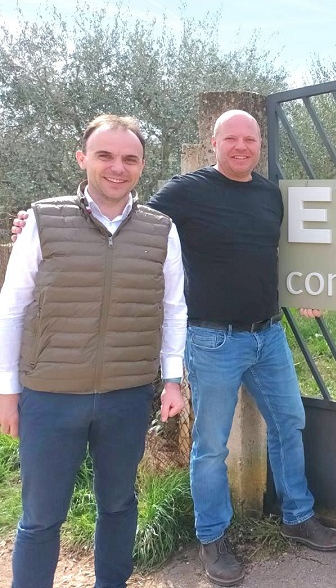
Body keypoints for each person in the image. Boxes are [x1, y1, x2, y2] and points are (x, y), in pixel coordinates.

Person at [145, 110, 336, 585]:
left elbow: (284, 252)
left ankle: (297, 516)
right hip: (212, 338)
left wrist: (307, 288)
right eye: (230, 138)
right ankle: (212, 537)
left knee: (289, 423)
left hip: (268, 334)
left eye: (249, 139)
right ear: (213, 143)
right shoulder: (186, 191)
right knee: (210, 446)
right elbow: (131, 221)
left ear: (259, 145)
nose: (240, 147)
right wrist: (47, 221)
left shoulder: (268, 194)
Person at [0, 115, 187, 588]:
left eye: (129, 159)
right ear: (82, 158)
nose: (117, 168)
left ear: (142, 166)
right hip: (49, 395)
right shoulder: (43, 219)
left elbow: (173, 308)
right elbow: (12, 308)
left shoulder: (161, 230)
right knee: (41, 516)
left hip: (127, 394)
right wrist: (7, 391)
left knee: (119, 505)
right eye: (105, 155)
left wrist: (172, 379)